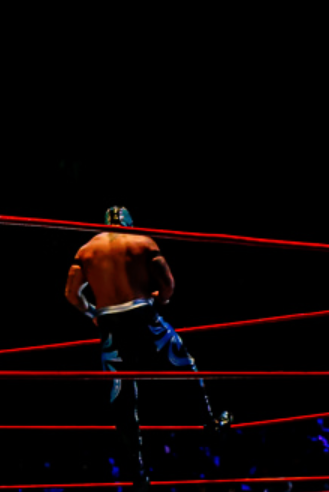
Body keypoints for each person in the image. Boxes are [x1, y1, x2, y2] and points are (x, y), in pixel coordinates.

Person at [65, 206, 228, 488]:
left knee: (122, 394)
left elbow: (71, 294)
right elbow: (168, 284)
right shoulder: (141, 242)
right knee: (182, 362)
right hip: (142, 313)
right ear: (128, 222)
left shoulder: (86, 250)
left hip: (109, 322)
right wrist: (160, 299)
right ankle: (210, 423)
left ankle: (137, 473)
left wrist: (93, 313)